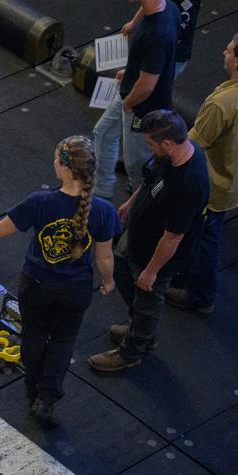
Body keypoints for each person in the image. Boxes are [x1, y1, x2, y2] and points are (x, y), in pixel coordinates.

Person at [0, 136, 118, 425]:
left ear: (64, 167)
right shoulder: (105, 210)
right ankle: (47, 399)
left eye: (56, 159)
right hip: (75, 290)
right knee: (63, 340)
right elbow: (104, 258)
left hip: (36, 285)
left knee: (33, 336)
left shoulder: (40, 201)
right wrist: (108, 281)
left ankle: (32, 390)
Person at [88, 110, 209, 373]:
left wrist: (151, 272)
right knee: (120, 270)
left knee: (147, 301)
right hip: (138, 237)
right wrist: (131, 204)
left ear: (167, 144)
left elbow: (173, 237)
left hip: (158, 255)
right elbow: (150, 179)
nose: (149, 149)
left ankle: (132, 351)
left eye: (151, 144)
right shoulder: (169, 157)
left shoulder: (187, 185)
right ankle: (139, 328)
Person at [166, 31, 238, 314]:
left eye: (228, 51)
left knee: (206, 238)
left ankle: (201, 295)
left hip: (214, 181)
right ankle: (187, 276)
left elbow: (194, 142)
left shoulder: (223, 103)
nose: (223, 53)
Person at [92, 0, 181, 199]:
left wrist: (129, 104)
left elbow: (147, 85)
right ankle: (101, 190)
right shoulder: (168, 7)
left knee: (136, 163)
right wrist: (129, 72)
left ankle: (139, 201)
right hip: (130, 91)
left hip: (140, 108)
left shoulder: (156, 34)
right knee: (102, 132)